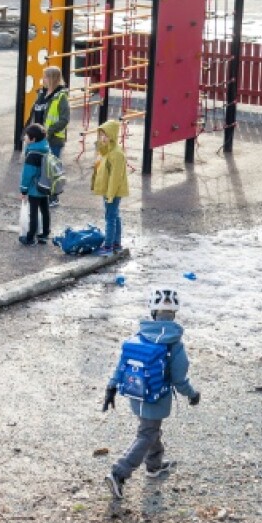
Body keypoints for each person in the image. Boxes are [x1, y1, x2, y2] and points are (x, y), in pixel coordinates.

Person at [103, 289, 200, 500]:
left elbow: (122, 364)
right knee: (147, 434)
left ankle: (154, 465)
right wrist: (193, 394)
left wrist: (111, 387)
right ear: (174, 314)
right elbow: (179, 380)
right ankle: (119, 473)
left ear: (153, 313)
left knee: (150, 430)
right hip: (156, 399)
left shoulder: (139, 335)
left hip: (135, 393)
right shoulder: (174, 344)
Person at [30, 65, 69, 206]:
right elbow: (35, 113)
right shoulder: (41, 93)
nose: (43, 79)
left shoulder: (61, 97)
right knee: (39, 168)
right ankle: (41, 194)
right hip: (39, 138)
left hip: (53, 139)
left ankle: (53, 197)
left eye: (45, 77)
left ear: (52, 79)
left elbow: (64, 119)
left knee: (51, 168)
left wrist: (49, 131)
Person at [92, 119, 129, 255]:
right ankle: (116, 243)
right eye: (101, 135)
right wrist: (100, 145)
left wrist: (110, 194)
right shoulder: (108, 151)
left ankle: (108, 246)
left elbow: (115, 177)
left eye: (106, 135)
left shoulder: (116, 154)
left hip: (112, 191)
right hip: (109, 190)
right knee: (114, 216)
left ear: (112, 135)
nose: (103, 138)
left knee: (110, 218)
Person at [18, 123, 51, 245]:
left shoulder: (33, 154)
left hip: (34, 188)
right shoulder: (46, 149)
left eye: (27, 136)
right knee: (45, 210)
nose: (24, 138)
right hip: (45, 185)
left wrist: (23, 190)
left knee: (33, 213)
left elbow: (27, 174)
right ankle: (45, 234)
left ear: (33, 139)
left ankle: (30, 237)